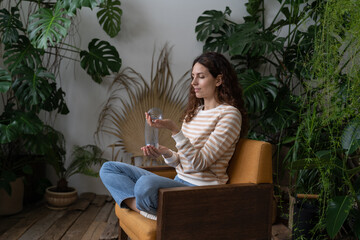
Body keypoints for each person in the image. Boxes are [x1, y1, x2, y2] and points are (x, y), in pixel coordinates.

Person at [100, 52, 248, 220]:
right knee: (109, 168)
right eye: (193, 77)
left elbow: (200, 163)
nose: (194, 83)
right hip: (178, 182)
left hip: (201, 191)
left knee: (145, 185)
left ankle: (153, 212)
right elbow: (183, 162)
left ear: (219, 80)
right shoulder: (195, 112)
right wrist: (166, 153)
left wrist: (174, 130)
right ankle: (148, 212)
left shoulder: (229, 115)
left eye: (201, 77)